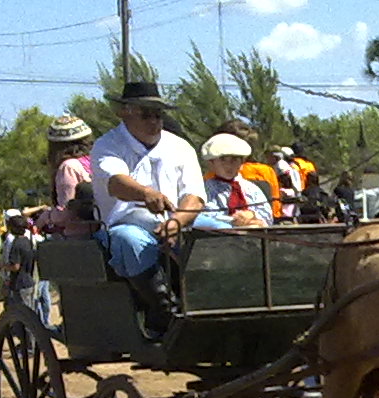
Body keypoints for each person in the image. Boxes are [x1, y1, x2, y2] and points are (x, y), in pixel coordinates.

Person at [89, 81, 203, 321]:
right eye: (145, 114)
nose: (154, 122)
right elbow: (116, 182)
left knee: (226, 232)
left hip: (181, 223)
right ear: (124, 112)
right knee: (130, 241)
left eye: (158, 115)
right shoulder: (107, 145)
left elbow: (195, 196)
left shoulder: (180, 147)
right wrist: (146, 194)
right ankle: (164, 314)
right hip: (126, 223)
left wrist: (176, 223)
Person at [198, 135, 271, 227]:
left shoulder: (252, 189)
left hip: (253, 237)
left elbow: (267, 214)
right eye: (223, 160)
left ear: (242, 162)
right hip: (217, 237)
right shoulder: (204, 190)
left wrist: (253, 215)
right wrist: (234, 219)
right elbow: (206, 215)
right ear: (211, 163)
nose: (229, 165)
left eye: (235, 159)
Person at [0, 211, 50, 324]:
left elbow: (14, 265)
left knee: (23, 314)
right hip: (30, 279)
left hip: (19, 282)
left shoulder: (14, 241)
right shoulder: (28, 239)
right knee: (32, 309)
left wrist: (2, 267)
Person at [47, 115, 98, 234]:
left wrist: (47, 216)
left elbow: (68, 212)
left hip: (80, 237)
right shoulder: (94, 161)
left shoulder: (69, 167)